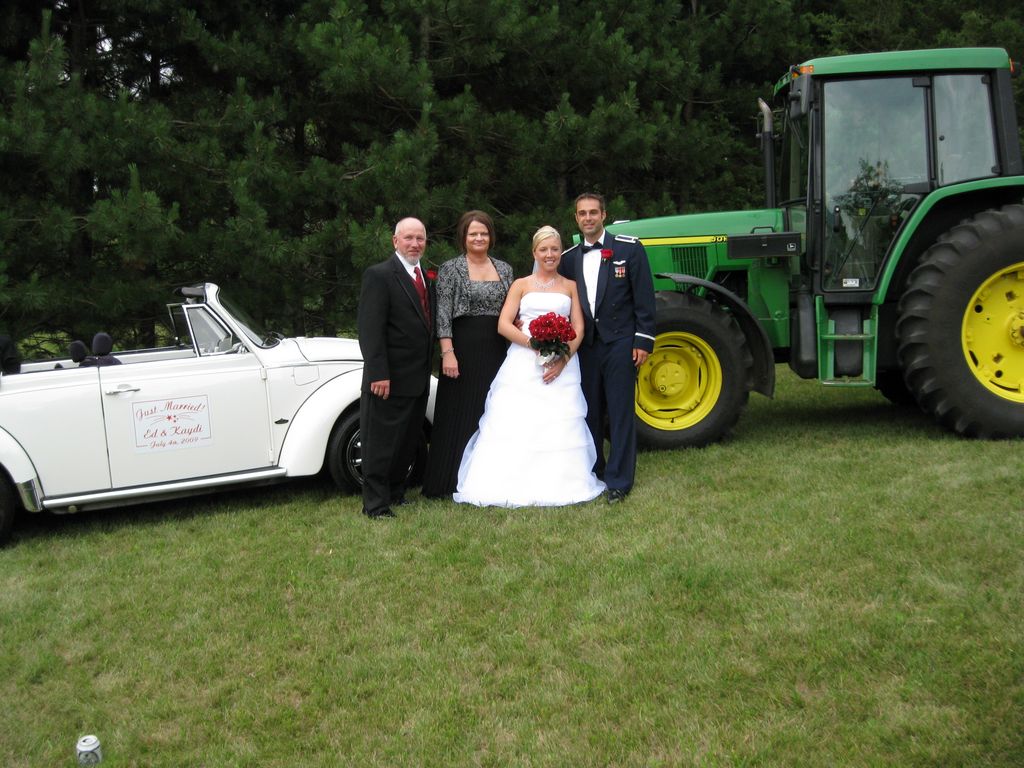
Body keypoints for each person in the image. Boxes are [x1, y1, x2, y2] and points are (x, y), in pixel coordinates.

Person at [454, 226, 605, 507]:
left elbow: (579, 329)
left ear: (561, 252)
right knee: (518, 421)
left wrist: (562, 359)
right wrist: (533, 344)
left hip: (562, 366)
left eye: (555, 249)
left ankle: (562, 481)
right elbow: (503, 324)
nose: (550, 255)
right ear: (535, 253)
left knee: (558, 422)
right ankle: (511, 481)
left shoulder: (570, 286)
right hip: (523, 362)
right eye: (544, 250)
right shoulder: (521, 285)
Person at [558, 192, 656, 503]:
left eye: (593, 213)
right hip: (585, 347)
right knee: (589, 410)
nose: (588, 218)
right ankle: (595, 470)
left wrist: (643, 340)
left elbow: (644, 298)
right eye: (582, 213)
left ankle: (619, 480)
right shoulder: (569, 258)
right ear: (576, 218)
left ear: (604, 215)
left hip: (620, 343)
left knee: (620, 411)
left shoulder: (629, 248)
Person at [421, 211, 513, 498]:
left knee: (492, 410)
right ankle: (448, 481)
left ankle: (490, 479)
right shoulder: (451, 269)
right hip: (461, 350)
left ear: (491, 237)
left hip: (498, 349)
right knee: (458, 413)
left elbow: (513, 310)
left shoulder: (505, 269)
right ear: (463, 236)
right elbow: (443, 315)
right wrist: (447, 352)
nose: (479, 238)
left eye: (483, 233)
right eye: (473, 233)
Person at [357, 217, 435, 519]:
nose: (415, 244)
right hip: (387, 378)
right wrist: (378, 373)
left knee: (406, 442)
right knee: (381, 443)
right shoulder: (379, 275)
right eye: (408, 238)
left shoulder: (425, 277)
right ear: (395, 241)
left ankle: (396, 492)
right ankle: (375, 505)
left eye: (420, 239)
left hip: (416, 378)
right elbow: (370, 329)